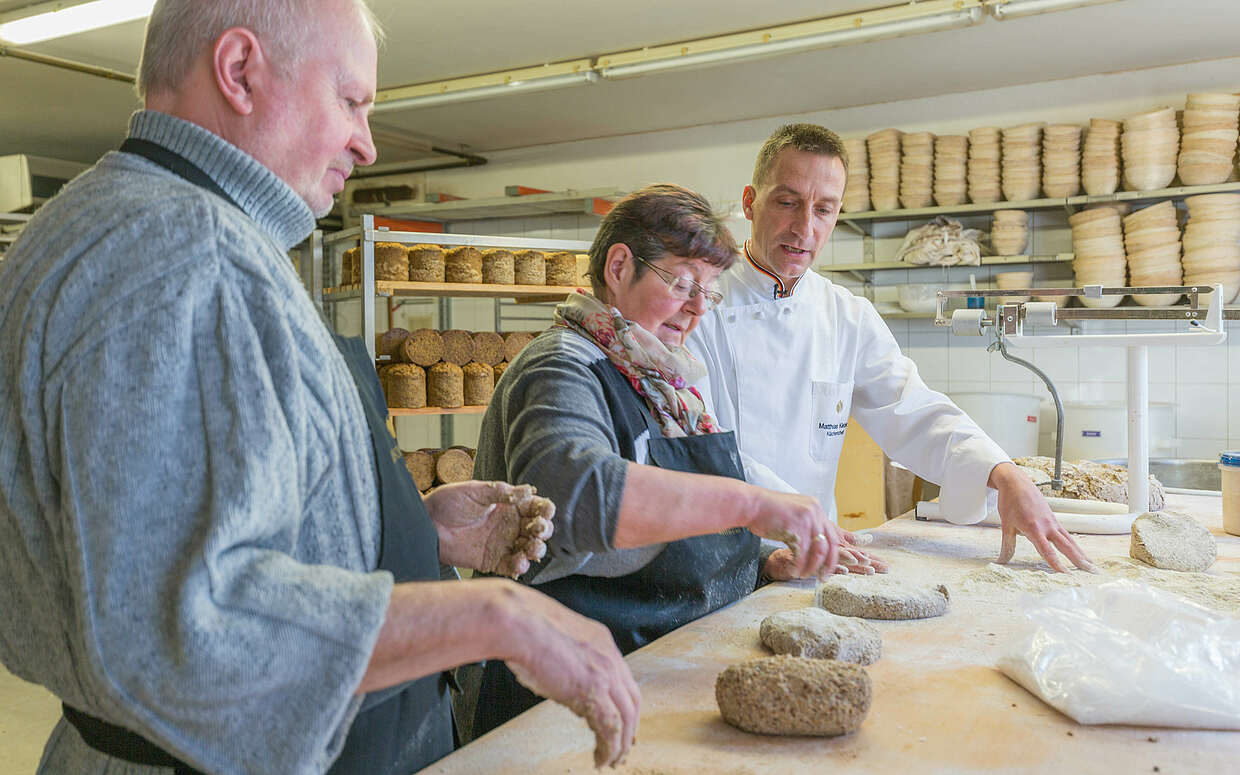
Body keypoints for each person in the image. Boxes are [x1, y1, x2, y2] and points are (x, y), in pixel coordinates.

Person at [0, 1, 639, 773]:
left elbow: (144, 530)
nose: (366, 144)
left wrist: (393, 525)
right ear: (239, 71)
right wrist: (494, 614)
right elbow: (192, 633)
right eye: (351, 101)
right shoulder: (188, 260)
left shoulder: (120, 218)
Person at [468, 183, 887, 740]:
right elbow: (574, 498)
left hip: (647, 663)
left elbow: (669, 537)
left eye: (707, 292)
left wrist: (757, 563)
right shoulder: (561, 366)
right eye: (683, 283)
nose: (695, 310)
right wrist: (752, 503)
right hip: (554, 692)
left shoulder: (657, 377)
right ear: (619, 266)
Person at [686, 123, 1095, 577]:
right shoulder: (695, 305)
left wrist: (1002, 473)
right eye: (787, 202)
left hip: (818, 560)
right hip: (716, 562)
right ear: (749, 201)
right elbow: (700, 447)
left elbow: (913, 411)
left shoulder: (845, 315)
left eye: (824, 209)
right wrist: (772, 539)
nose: (804, 227)